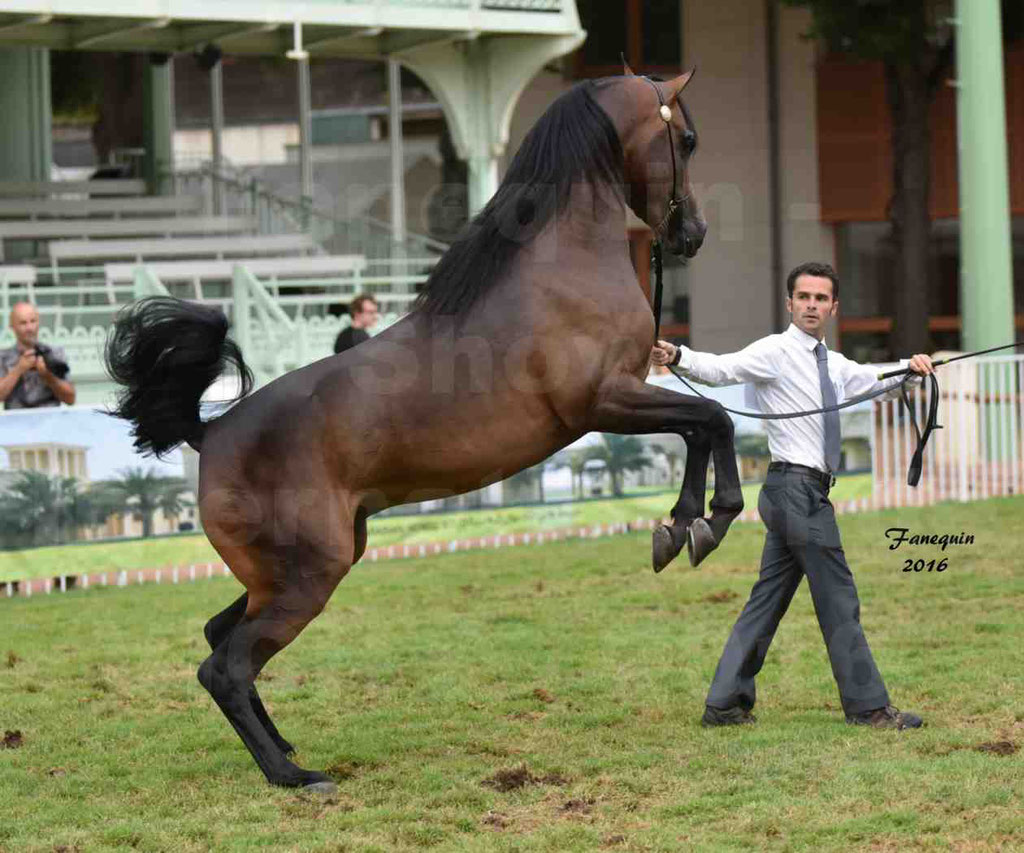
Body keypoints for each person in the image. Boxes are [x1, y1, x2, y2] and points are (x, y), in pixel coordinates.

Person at [651, 262, 934, 730]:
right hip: (795, 492)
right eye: (803, 297)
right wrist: (679, 355)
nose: (811, 305)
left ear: (833, 307)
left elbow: (874, 379)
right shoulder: (774, 352)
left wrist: (915, 369)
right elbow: (722, 369)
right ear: (790, 303)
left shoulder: (834, 363)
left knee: (766, 602)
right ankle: (869, 709)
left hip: (794, 495)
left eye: (820, 299)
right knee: (839, 598)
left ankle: (724, 704)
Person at [0, 302, 76, 410]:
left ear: (39, 322)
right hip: (15, 423)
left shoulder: (55, 353)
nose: (29, 328)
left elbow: (70, 399)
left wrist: (47, 375)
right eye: (23, 323)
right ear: (12, 326)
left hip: (50, 421)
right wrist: (19, 369)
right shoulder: (3, 357)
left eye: (33, 321)